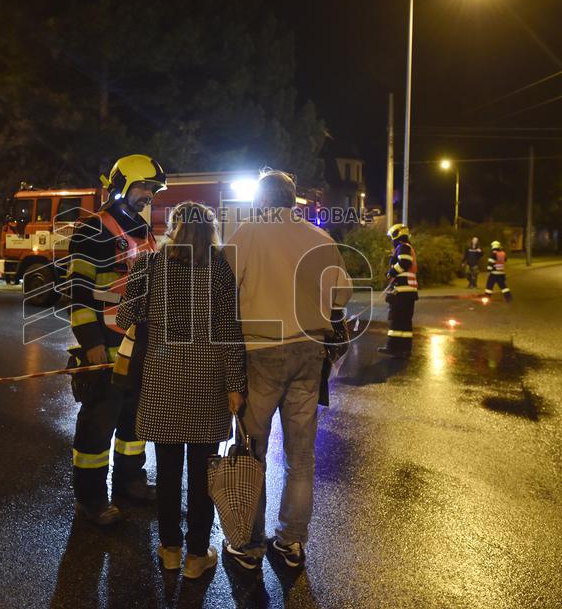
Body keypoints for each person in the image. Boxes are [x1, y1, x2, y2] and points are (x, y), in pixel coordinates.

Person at [222, 170, 352, 572]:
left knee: (252, 450)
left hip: (261, 352)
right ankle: (292, 540)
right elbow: (341, 294)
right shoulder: (321, 238)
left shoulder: (248, 234)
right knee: (300, 455)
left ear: (262, 200)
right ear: (292, 200)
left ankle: (248, 542)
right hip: (309, 352)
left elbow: (223, 289)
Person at [117, 201, 246, 579]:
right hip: (208, 382)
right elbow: (230, 333)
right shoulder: (220, 268)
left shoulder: (149, 264)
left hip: (161, 379)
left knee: (168, 471)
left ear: (173, 228)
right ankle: (196, 556)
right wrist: (236, 386)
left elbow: (125, 317)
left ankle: (170, 549)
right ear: (210, 230)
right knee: (204, 475)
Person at [64, 154, 166, 526]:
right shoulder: (93, 229)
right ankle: (90, 498)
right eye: (144, 187)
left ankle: (130, 482)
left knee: (135, 423)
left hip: (140, 347)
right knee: (97, 425)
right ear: (121, 185)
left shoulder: (144, 231)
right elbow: (78, 292)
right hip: (105, 347)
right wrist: (91, 343)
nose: (148, 196)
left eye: (153, 190)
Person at [378, 223, 418, 359]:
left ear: (396, 235)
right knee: (404, 322)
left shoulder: (403, 247)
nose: (391, 240)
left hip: (402, 292)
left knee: (396, 319)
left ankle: (394, 347)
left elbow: (404, 263)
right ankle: (403, 349)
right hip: (407, 292)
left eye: (392, 237)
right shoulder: (406, 247)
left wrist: (391, 272)